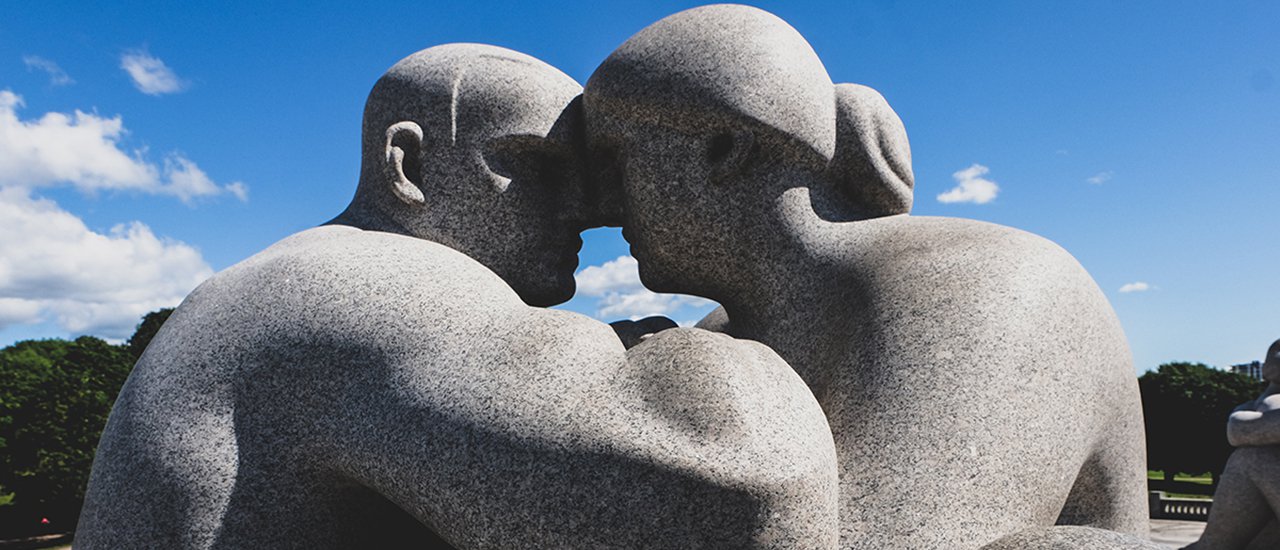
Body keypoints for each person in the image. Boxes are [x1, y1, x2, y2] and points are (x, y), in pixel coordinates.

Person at [77, 44, 839, 549]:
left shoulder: (274, 281)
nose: (590, 207)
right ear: (407, 165)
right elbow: (743, 485)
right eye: (537, 164)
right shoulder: (361, 289)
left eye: (593, 173)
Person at [583, 5, 1148, 548]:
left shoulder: (983, 282)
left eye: (614, 159)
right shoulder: (719, 329)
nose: (599, 204)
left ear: (724, 148)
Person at [1189, 339, 1280, 550]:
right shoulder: (1256, 404)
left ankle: (1211, 546)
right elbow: (1237, 429)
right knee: (1250, 459)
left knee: (1252, 460)